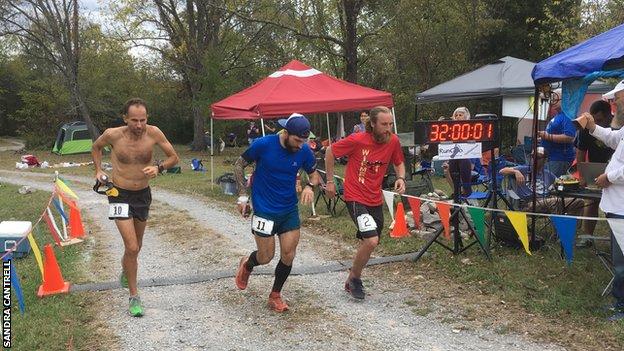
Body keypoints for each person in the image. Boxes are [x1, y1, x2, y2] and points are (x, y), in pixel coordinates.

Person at [91, 98, 179, 317]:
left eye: (143, 120)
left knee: (136, 247)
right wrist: (98, 170)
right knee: (131, 247)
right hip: (117, 193)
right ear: (125, 118)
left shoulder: (154, 133)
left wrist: (159, 168)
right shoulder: (113, 134)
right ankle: (134, 296)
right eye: (134, 121)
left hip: (142, 195)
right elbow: (96, 147)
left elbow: (174, 157)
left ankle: (125, 270)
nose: (139, 125)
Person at [233, 113, 320, 312]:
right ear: (286, 133)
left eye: (303, 141)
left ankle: (275, 295)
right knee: (266, 257)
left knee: (288, 254)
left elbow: (314, 174)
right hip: (264, 209)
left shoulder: (304, 150)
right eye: (297, 140)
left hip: (288, 209)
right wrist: (242, 197)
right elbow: (239, 164)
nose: (300, 145)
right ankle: (247, 264)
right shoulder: (263, 145)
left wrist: (309, 187)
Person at [324, 106, 406, 299]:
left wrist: (401, 177)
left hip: (375, 198)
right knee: (371, 240)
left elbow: (399, 162)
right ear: (373, 124)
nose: (388, 128)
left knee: (372, 241)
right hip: (355, 196)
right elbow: (329, 151)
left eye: (390, 124)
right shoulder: (358, 139)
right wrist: (329, 182)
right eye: (384, 124)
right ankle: (356, 279)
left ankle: (352, 276)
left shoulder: (393, 140)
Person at [581, 80, 624, 321]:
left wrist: (609, 176)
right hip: (617, 206)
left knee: (622, 261)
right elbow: (613, 138)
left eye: (617, 98)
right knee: (620, 258)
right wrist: (592, 127)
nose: (614, 104)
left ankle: (621, 306)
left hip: (622, 207)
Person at [574, 100, 615, 244]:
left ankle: (616, 239)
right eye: (594, 120)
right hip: (594, 171)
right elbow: (580, 152)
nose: (596, 123)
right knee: (591, 202)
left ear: (609, 116)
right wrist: (582, 175)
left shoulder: (618, 128)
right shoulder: (586, 128)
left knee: (615, 206)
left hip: (616, 173)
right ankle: (587, 237)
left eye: (599, 120)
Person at [499, 147, 582, 215]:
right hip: (529, 204)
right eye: (532, 156)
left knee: (578, 202)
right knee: (555, 202)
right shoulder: (524, 169)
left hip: (547, 201)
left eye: (537, 157)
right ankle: (558, 233)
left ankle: (570, 229)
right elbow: (502, 171)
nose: (534, 159)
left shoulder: (548, 174)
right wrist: (515, 171)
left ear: (545, 160)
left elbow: (559, 184)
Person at [538, 89, 576, 177]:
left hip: (560, 159)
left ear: (565, 100)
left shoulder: (568, 115)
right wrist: (543, 137)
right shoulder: (558, 115)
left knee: (551, 186)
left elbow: (570, 137)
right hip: (551, 159)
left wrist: (548, 136)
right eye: (552, 99)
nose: (552, 101)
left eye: (555, 99)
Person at [443, 107, 475, 197]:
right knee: (449, 166)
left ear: (466, 117)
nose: (457, 117)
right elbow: (450, 148)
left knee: (463, 160)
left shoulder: (471, 129)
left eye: (460, 115)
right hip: (455, 159)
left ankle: (466, 190)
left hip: (469, 160)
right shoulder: (451, 130)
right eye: (456, 115)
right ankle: (457, 191)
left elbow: (473, 147)